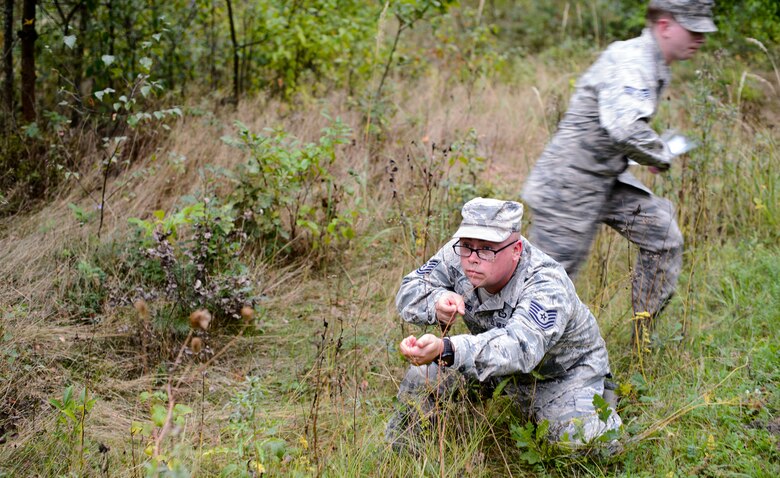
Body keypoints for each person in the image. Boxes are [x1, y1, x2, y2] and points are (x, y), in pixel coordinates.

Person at [521, 0, 717, 344]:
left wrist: (649, 151)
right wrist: (660, 152)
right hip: (570, 184)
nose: (701, 37)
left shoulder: (654, 62)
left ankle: (641, 343)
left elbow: (624, 131)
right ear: (666, 25)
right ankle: (480, 366)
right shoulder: (632, 60)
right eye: (693, 27)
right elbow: (624, 128)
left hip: (607, 178)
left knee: (664, 239)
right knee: (545, 287)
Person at [386, 197, 621, 453]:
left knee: (587, 444)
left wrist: (448, 348)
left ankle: (600, 402)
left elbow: (520, 347)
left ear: (516, 249)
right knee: (423, 377)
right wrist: (436, 301)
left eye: (487, 248)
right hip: (497, 369)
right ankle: (402, 457)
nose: (473, 258)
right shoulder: (458, 254)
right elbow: (408, 290)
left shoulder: (545, 282)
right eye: (467, 245)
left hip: (562, 375)